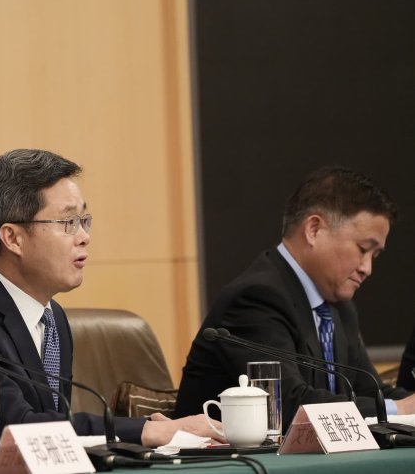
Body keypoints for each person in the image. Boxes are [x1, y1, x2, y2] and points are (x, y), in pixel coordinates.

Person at [0, 149, 222, 449]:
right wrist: (146, 430)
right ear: (13, 238)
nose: (84, 237)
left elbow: (52, 430)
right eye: (67, 222)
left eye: (83, 221)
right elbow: (14, 429)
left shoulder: (53, 318)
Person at [175, 166, 414, 430]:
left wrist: (404, 404)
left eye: (375, 256)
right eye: (363, 249)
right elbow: (288, 405)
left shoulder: (338, 307)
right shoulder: (256, 298)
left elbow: (371, 392)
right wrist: (397, 409)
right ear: (314, 229)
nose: (367, 268)